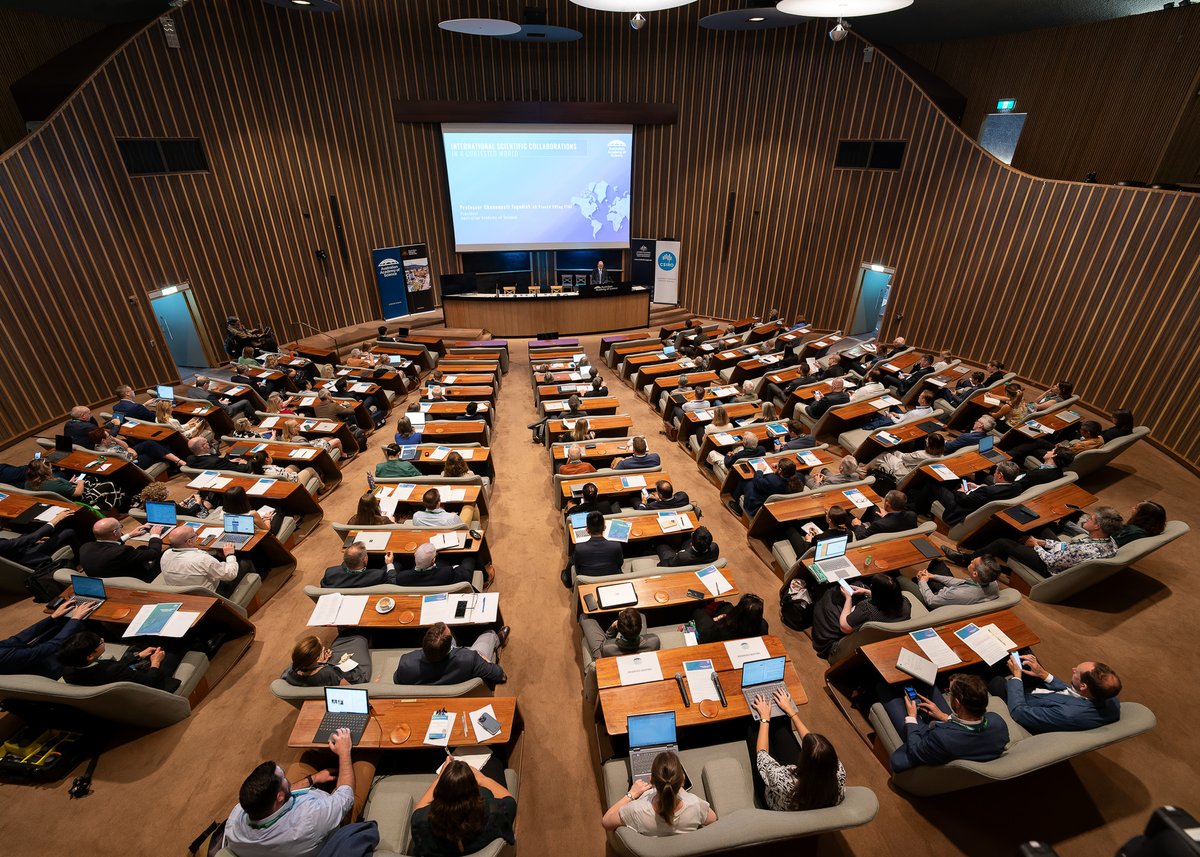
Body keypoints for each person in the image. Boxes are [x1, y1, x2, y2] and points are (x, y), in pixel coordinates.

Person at [224, 728, 365, 857]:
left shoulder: (234, 824)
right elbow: (345, 795)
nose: (286, 779)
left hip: (308, 817)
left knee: (308, 755)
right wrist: (344, 752)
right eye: (283, 778)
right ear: (279, 796)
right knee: (365, 756)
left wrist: (313, 779)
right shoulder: (309, 819)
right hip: (331, 824)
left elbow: (280, 795)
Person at [942, 506, 1123, 576]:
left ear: (1098, 526)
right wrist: (1044, 542)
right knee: (1041, 529)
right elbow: (1067, 546)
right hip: (1062, 555)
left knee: (1003, 542)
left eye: (1091, 519)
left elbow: (1053, 561)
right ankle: (996, 551)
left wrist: (1036, 546)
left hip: (1050, 567)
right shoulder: (1109, 541)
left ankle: (966, 559)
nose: (1086, 520)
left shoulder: (1086, 549)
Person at [882, 673, 1009, 772]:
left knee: (884, 687)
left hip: (927, 742)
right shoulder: (997, 723)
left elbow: (915, 751)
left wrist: (912, 718)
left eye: (950, 692)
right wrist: (945, 717)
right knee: (929, 683)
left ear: (957, 703)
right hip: (952, 735)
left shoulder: (941, 738)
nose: (949, 693)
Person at [748, 688, 845, 811]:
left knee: (754, 727)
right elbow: (812, 742)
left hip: (775, 796)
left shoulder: (784, 780)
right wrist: (790, 711)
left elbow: (762, 755)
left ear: (803, 761)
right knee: (782, 722)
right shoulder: (838, 773)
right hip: (804, 784)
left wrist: (764, 718)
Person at [411, 759, 517, 857]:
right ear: (476, 790)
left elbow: (418, 809)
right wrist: (480, 778)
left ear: (438, 792)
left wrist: (441, 778)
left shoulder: (422, 822)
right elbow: (510, 800)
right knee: (495, 762)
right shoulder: (494, 813)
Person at [998, 653, 1121, 733]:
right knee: (1025, 655)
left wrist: (1017, 677)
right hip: (1049, 694)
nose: (1073, 669)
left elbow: (1019, 713)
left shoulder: (1068, 714)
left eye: (1076, 672)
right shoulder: (1108, 696)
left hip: (1024, 703)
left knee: (996, 680)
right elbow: (1073, 692)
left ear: (1084, 686)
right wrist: (1044, 675)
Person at [601, 750, 715, 836]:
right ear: (682, 780)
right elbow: (713, 820)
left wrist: (631, 794)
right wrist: (682, 791)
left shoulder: (636, 810)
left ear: (651, 780)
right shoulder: (696, 805)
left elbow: (606, 822)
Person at [811, 574, 910, 660]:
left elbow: (844, 627)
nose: (870, 587)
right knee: (859, 584)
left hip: (847, 637)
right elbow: (888, 598)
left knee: (828, 598)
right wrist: (866, 591)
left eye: (872, 587)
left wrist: (848, 598)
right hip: (881, 634)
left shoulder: (867, 609)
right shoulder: (905, 604)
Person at [392, 621, 508, 689]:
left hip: (445, 669)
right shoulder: (470, 658)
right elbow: (500, 675)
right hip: (464, 666)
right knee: (489, 634)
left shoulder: (405, 663)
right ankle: (497, 639)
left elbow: (397, 681)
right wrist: (483, 660)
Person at [58, 630, 181, 692]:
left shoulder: (68, 671)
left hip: (118, 679)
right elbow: (149, 681)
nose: (102, 640)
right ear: (90, 656)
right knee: (173, 652)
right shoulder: (114, 670)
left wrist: (138, 656)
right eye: (100, 642)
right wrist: (155, 662)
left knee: (138, 647)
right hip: (147, 686)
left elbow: (107, 668)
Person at [0, 598, 96, 677]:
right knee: (79, 632)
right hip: (44, 669)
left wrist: (52, 617)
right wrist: (75, 619)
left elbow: (17, 639)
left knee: (60, 622)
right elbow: (53, 645)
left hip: (30, 655)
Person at [931, 459, 1023, 525]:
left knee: (934, 484)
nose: (994, 474)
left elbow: (963, 500)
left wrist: (961, 492)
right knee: (963, 480)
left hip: (961, 510)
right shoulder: (1017, 487)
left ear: (1000, 476)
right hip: (978, 505)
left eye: (995, 472)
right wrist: (978, 487)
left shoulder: (987, 491)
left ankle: (918, 507)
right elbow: (996, 491)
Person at [158, 525, 243, 593]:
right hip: (212, 596)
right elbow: (230, 575)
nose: (197, 536)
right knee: (244, 562)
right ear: (189, 542)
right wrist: (230, 554)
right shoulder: (202, 559)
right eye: (195, 535)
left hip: (181, 594)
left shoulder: (165, 554)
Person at [79, 517, 166, 582]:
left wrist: (130, 535)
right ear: (115, 532)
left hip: (106, 580)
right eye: (120, 527)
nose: (121, 528)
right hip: (137, 581)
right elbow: (154, 553)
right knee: (165, 553)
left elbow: (108, 546)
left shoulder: (85, 547)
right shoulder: (122, 552)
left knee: (142, 549)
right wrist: (155, 535)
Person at [861, 431, 945, 495]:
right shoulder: (942, 456)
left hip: (903, 471)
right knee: (893, 451)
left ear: (930, 445)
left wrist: (907, 455)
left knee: (885, 455)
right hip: (912, 466)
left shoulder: (921, 455)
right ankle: (869, 465)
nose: (925, 439)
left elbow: (905, 458)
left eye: (927, 440)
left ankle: (864, 469)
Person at [282, 634, 371, 687]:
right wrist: (326, 665)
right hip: (359, 676)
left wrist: (320, 664)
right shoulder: (328, 672)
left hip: (320, 667)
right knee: (360, 640)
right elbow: (351, 688)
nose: (325, 647)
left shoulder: (292, 672)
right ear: (316, 658)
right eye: (322, 648)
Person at [88, 424, 187, 472]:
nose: (110, 436)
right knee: (159, 449)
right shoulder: (108, 451)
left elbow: (126, 446)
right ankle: (178, 462)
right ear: (103, 441)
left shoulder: (106, 442)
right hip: (133, 464)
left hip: (129, 453)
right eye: (108, 436)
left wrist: (114, 439)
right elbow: (132, 457)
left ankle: (177, 463)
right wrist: (130, 450)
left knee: (150, 444)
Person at [915, 556, 1001, 608]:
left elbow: (931, 601)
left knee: (902, 580)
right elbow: (961, 582)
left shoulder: (959, 594)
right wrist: (932, 576)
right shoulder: (993, 582)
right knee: (937, 563)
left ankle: (918, 582)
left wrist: (922, 582)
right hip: (953, 593)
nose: (970, 561)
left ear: (975, 574)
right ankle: (922, 580)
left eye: (972, 563)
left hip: (938, 599)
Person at [731, 457, 803, 518]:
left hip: (758, 503)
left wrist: (760, 470)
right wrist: (779, 467)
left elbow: (757, 482)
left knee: (745, 481)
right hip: (777, 503)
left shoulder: (773, 481)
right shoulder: (798, 478)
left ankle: (737, 505)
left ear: (780, 470)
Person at [780, 505, 854, 561]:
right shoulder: (849, 533)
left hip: (807, 556)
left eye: (827, 515)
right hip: (836, 555)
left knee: (790, 529)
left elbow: (807, 554)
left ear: (829, 520)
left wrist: (808, 540)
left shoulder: (819, 538)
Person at [580, 608, 662, 658]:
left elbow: (607, 640)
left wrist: (612, 628)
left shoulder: (607, 648)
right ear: (641, 626)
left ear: (618, 628)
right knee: (641, 616)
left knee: (585, 619)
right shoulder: (654, 640)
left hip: (605, 654)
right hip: (640, 647)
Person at [393, 542, 479, 588]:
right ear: (433, 560)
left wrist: (389, 564)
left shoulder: (402, 577)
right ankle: (486, 577)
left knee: (441, 562)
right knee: (470, 556)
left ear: (414, 555)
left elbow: (391, 578)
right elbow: (465, 576)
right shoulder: (447, 572)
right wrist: (456, 567)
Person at [692, 593, 768, 644]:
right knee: (727, 605)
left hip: (713, 637)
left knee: (699, 610)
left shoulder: (718, 629)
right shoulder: (764, 626)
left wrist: (718, 620)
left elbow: (706, 632)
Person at [569, 511, 624, 581]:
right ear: (604, 527)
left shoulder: (579, 548)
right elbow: (620, 564)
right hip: (612, 580)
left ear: (587, 530)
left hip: (587, 582)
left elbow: (578, 570)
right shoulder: (616, 545)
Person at [321, 543, 395, 587]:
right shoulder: (378, 575)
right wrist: (389, 564)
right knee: (397, 565)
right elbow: (392, 583)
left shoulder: (329, 573)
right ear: (365, 560)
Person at [185, 377, 258, 421]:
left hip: (205, 410)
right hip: (223, 413)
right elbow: (222, 408)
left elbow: (205, 403)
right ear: (205, 385)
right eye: (208, 384)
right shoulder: (208, 396)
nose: (208, 386)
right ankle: (257, 419)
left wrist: (217, 401)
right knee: (245, 401)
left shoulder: (190, 391)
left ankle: (247, 416)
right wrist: (223, 404)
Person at [186, 436, 251, 472]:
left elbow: (210, 461)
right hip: (236, 474)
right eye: (207, 442)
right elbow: (241, 469)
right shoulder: (216, 462)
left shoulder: (190, 459)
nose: (209, 443)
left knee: (230, 453)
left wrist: (229, 461)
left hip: (217, 470)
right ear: (203, 447)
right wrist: (243, 463)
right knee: (255, 459)